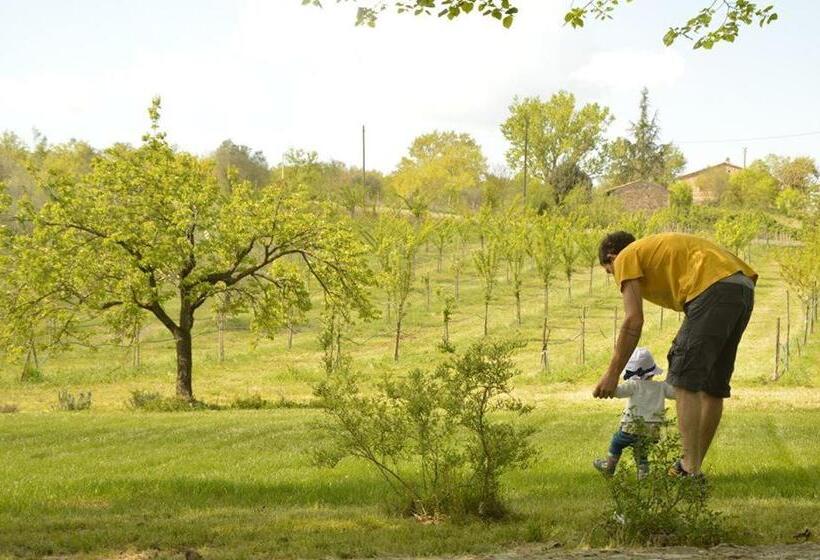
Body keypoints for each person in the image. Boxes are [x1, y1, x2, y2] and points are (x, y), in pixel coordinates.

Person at [593, 231, 756, 477]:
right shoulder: (652, 250)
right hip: (741, 286)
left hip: (712, 286)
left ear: (612, 257)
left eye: (610, 272)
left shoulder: (626, 256)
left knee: (684, 379)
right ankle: (689, 467)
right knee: (713, 386)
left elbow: (633, 320)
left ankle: (689, 471)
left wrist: (612, 373)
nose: (617, 279)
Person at [593, 347, 676, 478]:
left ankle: (608, 467)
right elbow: (676, 394)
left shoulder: (633, 385)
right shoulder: (662, 387)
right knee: (641, 450)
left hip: (632, 427)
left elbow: (617, 392)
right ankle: (643, 475)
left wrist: (606, 386)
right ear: (653, 372)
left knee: (617, 442)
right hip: (652, 430)